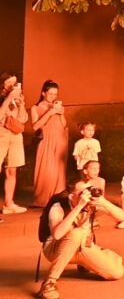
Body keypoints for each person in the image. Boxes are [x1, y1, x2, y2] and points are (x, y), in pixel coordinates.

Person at [36, 181, 124, 299]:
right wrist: (79, 207)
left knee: (116, 273)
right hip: (55, 249)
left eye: (88, 190)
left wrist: (104, 202)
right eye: (82, 193)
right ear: (72, 196)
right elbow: (57, 235)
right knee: (77, 233)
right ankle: (49, 283)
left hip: (82, 247)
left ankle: (85, 261)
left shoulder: (91, 205)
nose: (87, 195)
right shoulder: (58, 206)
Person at [32, 80, 68, 207]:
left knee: (59, 170)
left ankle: (58, 197)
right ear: (43, 93)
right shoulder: (35, 108)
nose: (53, 96)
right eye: (50, 94)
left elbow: (63, 124)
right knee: (46, 169)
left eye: (55, 94)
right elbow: (35, 126)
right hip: (46, 140)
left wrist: (61, 113)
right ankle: (43, 199)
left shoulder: (56, 106)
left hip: (60, 139)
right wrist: (49, 113)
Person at [1, 72, 29, 215]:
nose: (11, 86)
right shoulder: (3, 98)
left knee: (11, 170)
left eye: (14, 82)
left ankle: (8, 204)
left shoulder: (16, 99)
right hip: (1, 135)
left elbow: (23, 120)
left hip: (15, 136)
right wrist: (8, 98)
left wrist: (22, 105)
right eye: (8, 83)